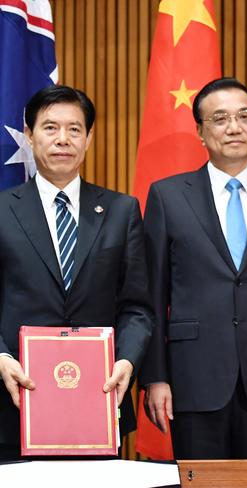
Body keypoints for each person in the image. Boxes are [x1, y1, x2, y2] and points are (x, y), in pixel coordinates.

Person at [139, 77, 247, 459]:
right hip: (193, 379)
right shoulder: (167, 196)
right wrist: (155, 376)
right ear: (200, 132)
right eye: (220, 119)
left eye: (245, 116)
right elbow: (152, 296)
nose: (234, 127)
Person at [0, 85, 153, 460]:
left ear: (88, 138)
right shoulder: (2, 211)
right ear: (30, 134)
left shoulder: (121, 211)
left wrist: (127, 361)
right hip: (12, 403)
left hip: (99, 403)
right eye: (50, 128)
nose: (62, 139)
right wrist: (1, 358)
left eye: (74, 129)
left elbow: (138, 307)